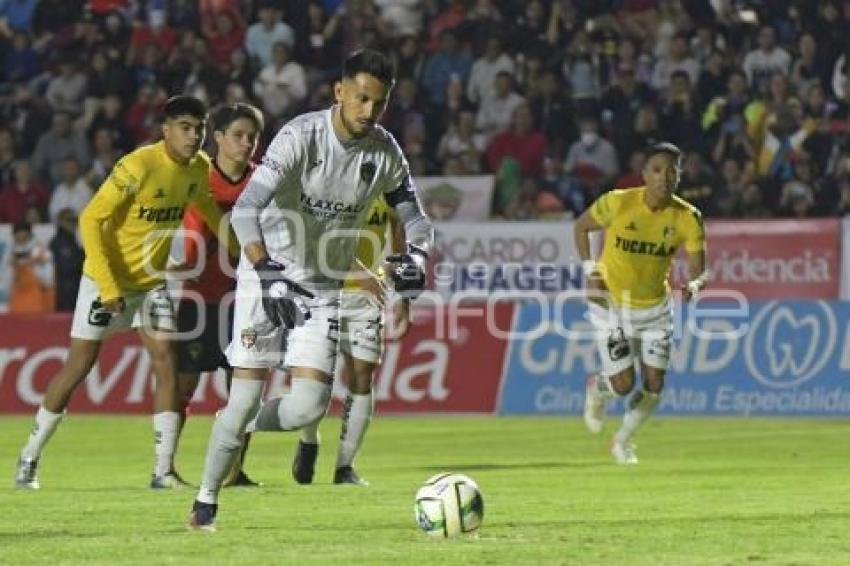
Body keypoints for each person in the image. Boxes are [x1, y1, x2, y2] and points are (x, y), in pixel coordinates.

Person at [187, 49, 434, 531]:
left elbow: (417, 220)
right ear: (339, 92)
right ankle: (204, 502)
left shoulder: (385, 152)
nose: (367, 111)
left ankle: (235, 426)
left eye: (378, 104)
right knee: (242, 400)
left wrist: (420, 256)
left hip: (322, 289)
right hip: (268, 279)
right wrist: (266, 271)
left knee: (307, 407)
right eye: (361, 98)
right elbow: (245, 210)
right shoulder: (301, 137)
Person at [14, 96, 238, 490]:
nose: (194, 136)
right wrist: (108, 284)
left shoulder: (199, 168)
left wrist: (244, 251)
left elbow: (208, 210)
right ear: (165, 129)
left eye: (199, 128)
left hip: (150, 285)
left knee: (166, 360)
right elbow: (91, 218)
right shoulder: (139, 165)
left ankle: (162, 470)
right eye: (185, 127)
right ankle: (29, 457)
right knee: (79, 366)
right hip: (106, 280)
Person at [573, 142, 707, 465]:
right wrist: (590, 270)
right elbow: (581, 227)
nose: (665, 177)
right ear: (645, 173)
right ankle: (598, 387)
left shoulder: (688, 217)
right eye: (658, 169)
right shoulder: (618, 202)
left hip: (656, 309)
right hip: (611, 305)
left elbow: (699, 269)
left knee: (654, 383)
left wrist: (693, 284)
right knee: (622, 385)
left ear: (680, 175)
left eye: (673, 170)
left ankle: (622, 442)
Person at [172, 102, 265, 488]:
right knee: (184, 385)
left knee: (244, 389)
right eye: (239, 136)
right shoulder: (196, 176)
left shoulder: (263, 183)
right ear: (219, 137)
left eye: (253, 138)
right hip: (198, 298)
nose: (246, 144)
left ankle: (234, 470)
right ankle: (165, 465)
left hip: (244, 302)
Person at [291, 197, 412, 487]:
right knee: (316, 379)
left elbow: (398, 235)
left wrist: (404, 297)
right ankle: (308, 440)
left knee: (362, 375)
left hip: (367, 298)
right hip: (322, 292)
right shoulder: (330, 183)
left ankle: (345, 467)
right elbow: (318, 238)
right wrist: (360, 274)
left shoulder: (388, 183)